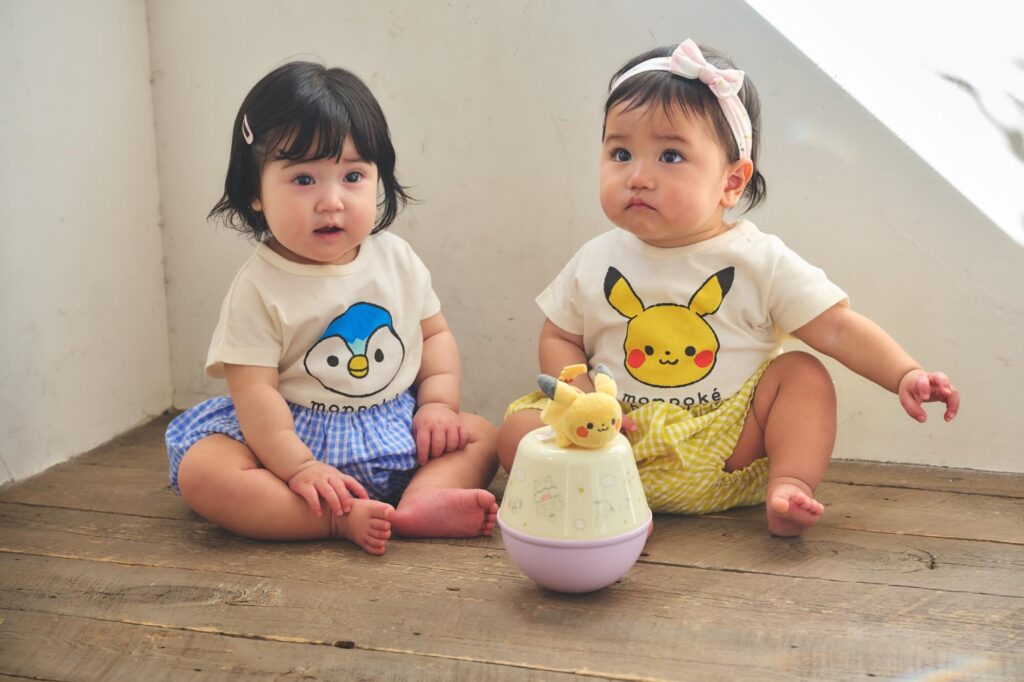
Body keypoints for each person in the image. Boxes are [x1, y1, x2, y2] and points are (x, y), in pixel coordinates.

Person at [497, 40, 959, 537]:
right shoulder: (596, 259)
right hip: (614, 442)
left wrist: (904, 373)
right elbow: (560, 336)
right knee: (517, 431)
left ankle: (789, 486)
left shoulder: (759, 260)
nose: (638, 176)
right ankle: (608, 504)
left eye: (670, 155)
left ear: (732, 181)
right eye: (621, 153)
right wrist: (584, 402)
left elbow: (837, 329)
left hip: (724, 444)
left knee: (802, 374)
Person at [166, 62, 498, 554]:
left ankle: (420, 500)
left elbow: (434, 336)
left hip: (395, 428)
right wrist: (299, 466)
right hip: (290, 443)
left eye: (353, 176)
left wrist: (436, 406)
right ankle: (330, 520)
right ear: (255, 192)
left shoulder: (396, 259)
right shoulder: (258, 287)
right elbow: (254, 393)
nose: (331, 201)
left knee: (480, 435)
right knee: (205, 471)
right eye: (304, 179)